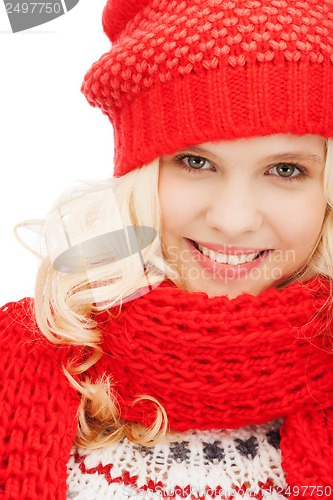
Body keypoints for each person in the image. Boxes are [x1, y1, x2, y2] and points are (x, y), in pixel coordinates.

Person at [1, 0, 333, 498]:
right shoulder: (22, 356)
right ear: (137, 177)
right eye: (195, 162)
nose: (233, 219)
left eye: (285, 170)